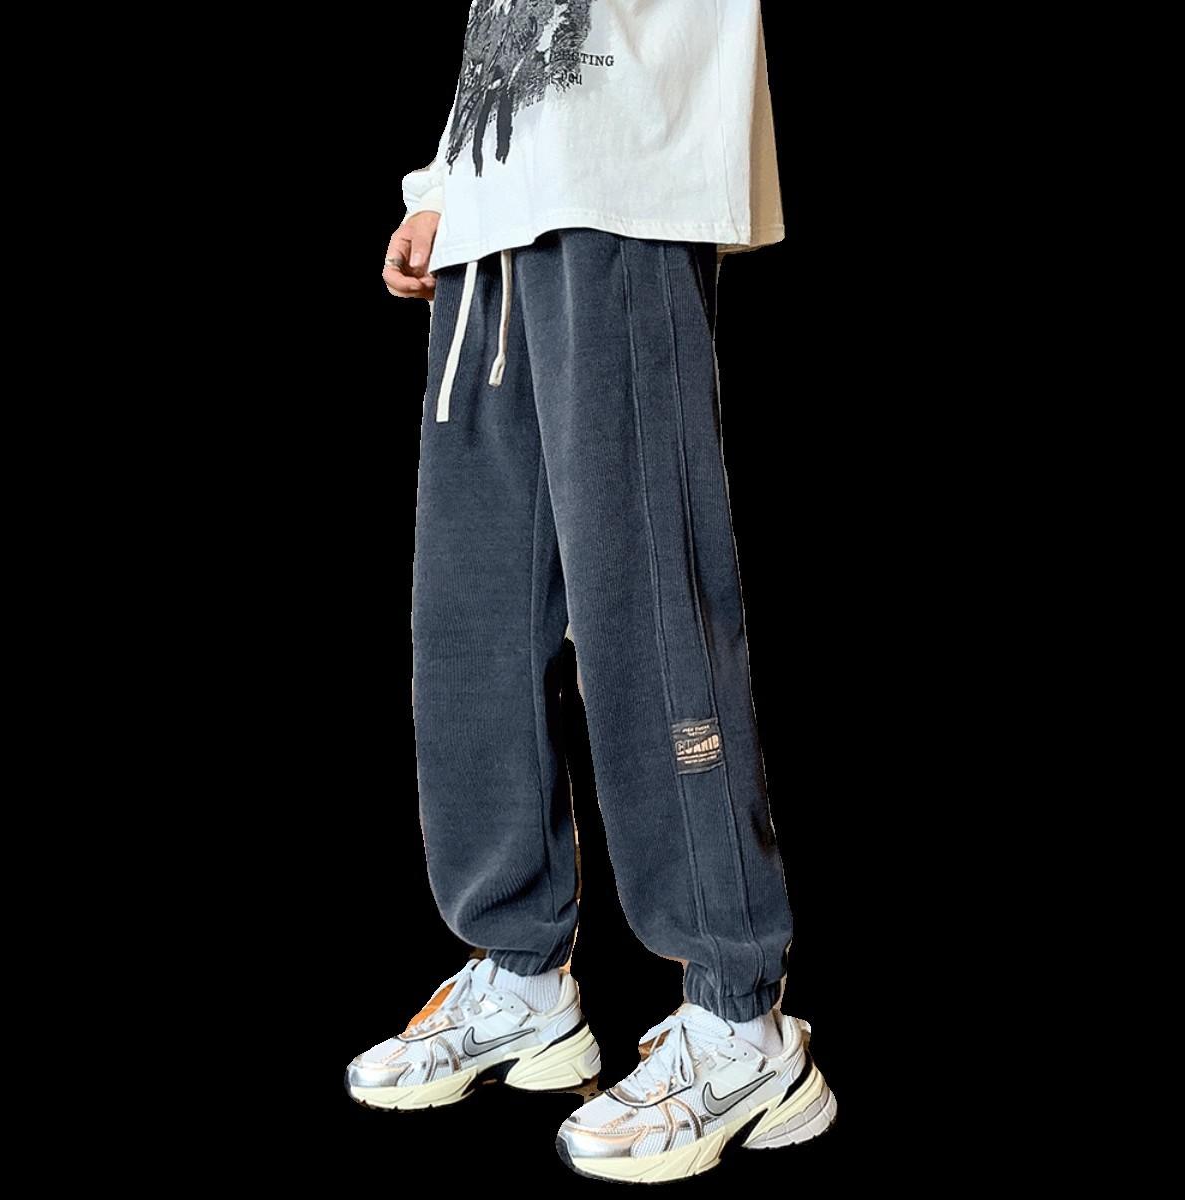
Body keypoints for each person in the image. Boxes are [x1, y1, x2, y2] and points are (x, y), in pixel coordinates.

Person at [347, 1, 836, 1183]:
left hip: (627, 180)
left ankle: (742, 1024)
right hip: (496, 207)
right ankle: (522, 978)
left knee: (650, 612)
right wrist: (447, 180)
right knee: (471, 620)